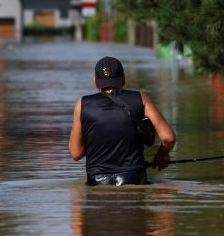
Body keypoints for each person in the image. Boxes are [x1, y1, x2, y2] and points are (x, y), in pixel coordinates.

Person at [68, 56, 176, 186]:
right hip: (134, 179)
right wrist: (161, 154)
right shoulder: (141, 99)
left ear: (95, 81)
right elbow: (168, 138)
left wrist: (96, 139)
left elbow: (75, 153)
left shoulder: (82, 104)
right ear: (123, 79)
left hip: (97, 183)